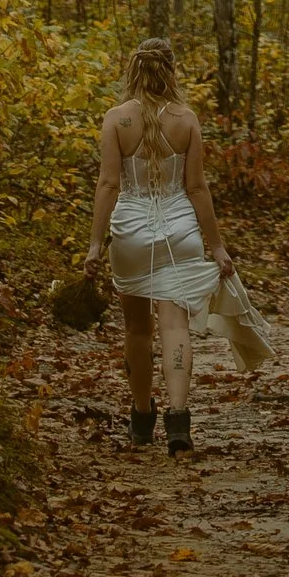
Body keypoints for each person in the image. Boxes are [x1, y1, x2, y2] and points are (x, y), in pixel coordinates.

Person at [83, 37, 236, 454]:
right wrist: (217, 247)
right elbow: (198, 187)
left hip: (131, 232)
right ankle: (178, 419)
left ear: (133, 69)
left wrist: (95, 245)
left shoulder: (116, 118)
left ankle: (140, 417)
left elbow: (109, 184)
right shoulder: (186, 120)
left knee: (137, 327)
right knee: (175, 325)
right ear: (171, 70)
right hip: (180, 233)